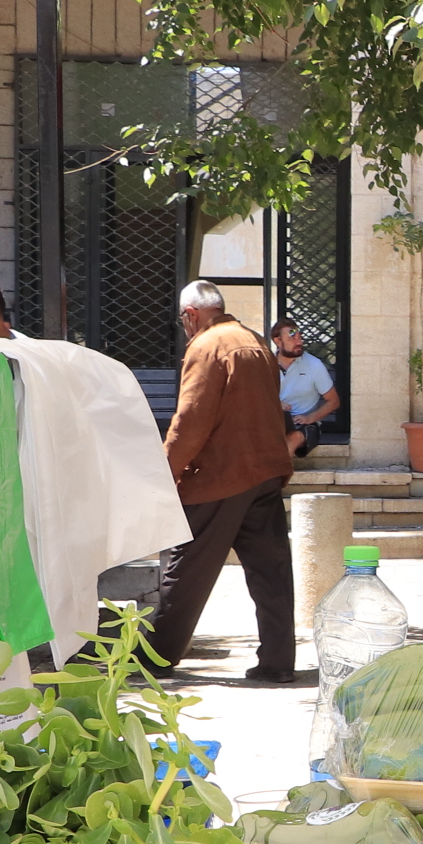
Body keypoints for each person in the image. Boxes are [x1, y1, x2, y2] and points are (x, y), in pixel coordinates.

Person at [148, 281, 297, 682]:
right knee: (271, 574)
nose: (184, 326)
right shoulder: (254, 342)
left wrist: (166, 474)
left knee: (185, 572)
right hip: (264, 472)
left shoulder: (205, 346)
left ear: (192, 315)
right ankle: (279, 662)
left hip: (218, 478)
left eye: (183, 319)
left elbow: (189, 421)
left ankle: (155, 658)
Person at [271, 320, 340, 458]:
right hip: (274, 420)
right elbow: (252, 398)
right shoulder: (265, 364)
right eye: (292, 338)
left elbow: (334, 401)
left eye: (299, 337)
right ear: (278, 341)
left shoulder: (314, 365)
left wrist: (310, 418)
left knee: (295, 436)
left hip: (304, 426)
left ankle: (276, 476)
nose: (299, 342)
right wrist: (275, 404)